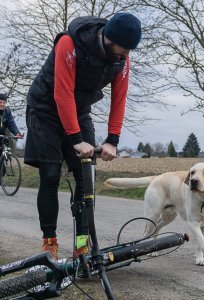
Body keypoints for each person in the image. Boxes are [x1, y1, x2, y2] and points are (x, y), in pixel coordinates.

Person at [24, 12, 142, 259]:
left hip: (78, 110)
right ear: (109, 39)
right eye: (123, 50)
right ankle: (50, 243)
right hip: (45, 109)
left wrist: (112, 139)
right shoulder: (70, 43)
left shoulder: (122, 58)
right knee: (50, 174)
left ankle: (81, 243)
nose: (126, 56)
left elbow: (119, 98)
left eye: (130, 51)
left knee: (85, 175)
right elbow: (62, 93)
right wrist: (76, 139)